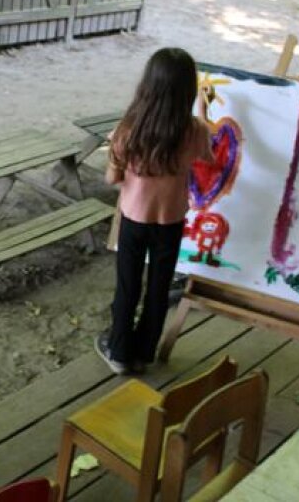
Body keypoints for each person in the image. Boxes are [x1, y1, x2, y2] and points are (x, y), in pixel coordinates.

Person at [97, 48, 213, 375]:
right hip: (172, 221)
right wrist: (203, 114)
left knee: (128, 286)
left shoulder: (129, 129)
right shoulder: (194, 131)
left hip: (134, 220)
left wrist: (131, 180)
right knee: (159, 288)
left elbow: (112, 178)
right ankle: (145, 352)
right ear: (188, 89)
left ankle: (119, 352)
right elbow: (207, 155)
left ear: (147, 85)